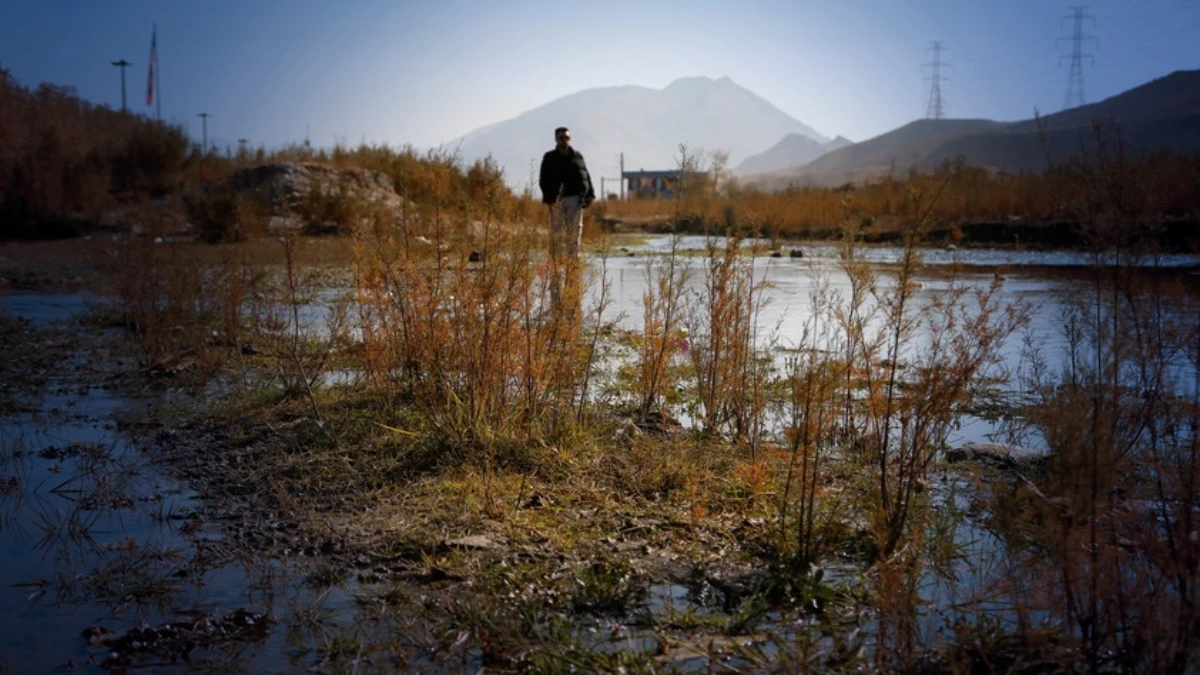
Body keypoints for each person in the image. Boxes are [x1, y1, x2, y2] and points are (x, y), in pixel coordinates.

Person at [539, 126, 595, 315]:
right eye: (562, 137)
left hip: (575, 200)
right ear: (556, 139)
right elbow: (543, 179)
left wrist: (590, 194)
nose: (565, 140)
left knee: (575, 234)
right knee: (556, 234)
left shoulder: (577, 156)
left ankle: (573, 265)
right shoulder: (549, 158)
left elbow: (586, 174)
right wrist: (548, 199)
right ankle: (555, 264)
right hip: (557, 201)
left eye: (567, 137)